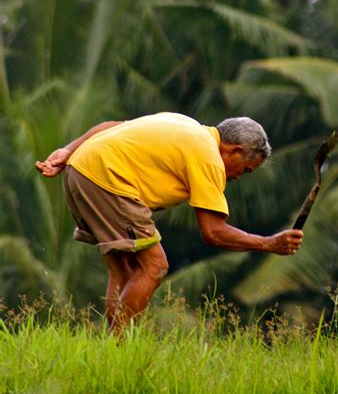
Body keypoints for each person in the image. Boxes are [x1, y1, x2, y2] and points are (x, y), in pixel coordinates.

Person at [36, 112, 304, 334]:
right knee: (154, 266)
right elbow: (212, 232)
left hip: (78, 171)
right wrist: (269, 243)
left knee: (125, 269)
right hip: (107, 179)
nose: (238, 177)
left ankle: (113, 351)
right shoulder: (208, 158)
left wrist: (68, 150)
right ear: (235, 150)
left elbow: (111, 126)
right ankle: (119, 349)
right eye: (245, 169)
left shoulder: (185, 124)